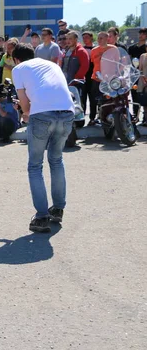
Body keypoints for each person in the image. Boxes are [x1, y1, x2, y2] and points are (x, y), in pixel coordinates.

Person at [12, 43, 75, 233]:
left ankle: (41, 217)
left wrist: (23, 112)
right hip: (67, 112)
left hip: (42, 115)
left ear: (16, 58)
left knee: (35, 165)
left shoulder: (18, 69)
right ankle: (58, 209)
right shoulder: (51, 65)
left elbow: (25, 106)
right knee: (56, 160)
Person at [89, 32, 117, 125]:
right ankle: (93, 118)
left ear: (107, 39)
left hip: (110, 79)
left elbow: (118, 63)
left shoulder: (113, 49)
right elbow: (93, 63)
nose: (99, 40)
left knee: (109, 99)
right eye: (98, 38)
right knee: (95, 99)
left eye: (101, 38)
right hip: (97, 78)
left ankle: (108, 118)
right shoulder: (94, 50)